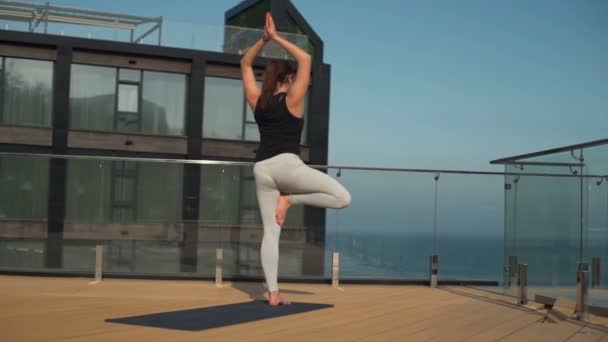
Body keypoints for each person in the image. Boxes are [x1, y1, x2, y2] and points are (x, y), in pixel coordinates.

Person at [240, 12, 352, 306]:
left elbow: (245, 63)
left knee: (270, 232)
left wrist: (261, 42)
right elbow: (306, 59)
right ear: (288, 79)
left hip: (262, 169)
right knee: (342, 198)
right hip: (287, 166)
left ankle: (273, 293)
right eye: (293, 79)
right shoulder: (293, 99)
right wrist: (275, 38)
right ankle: (291, 200)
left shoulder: (257, 101)